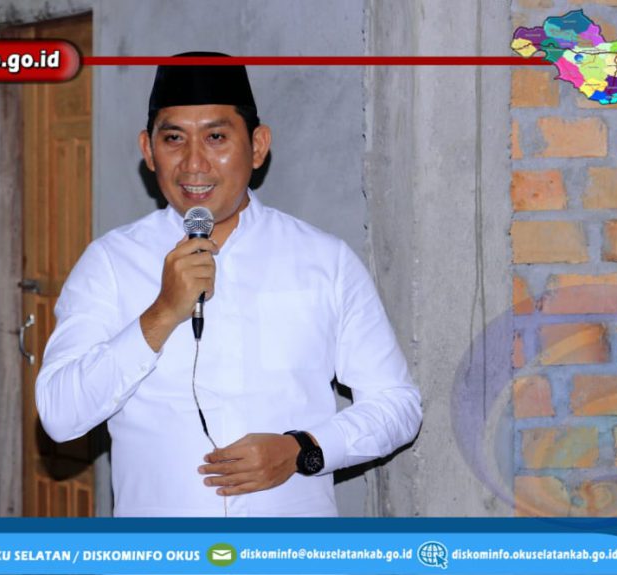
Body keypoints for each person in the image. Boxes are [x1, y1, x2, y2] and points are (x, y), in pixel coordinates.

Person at [35, 52, 422, 517]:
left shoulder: (324, 260)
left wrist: (303, 449)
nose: (193, 163)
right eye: (173, 139)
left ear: (257, 146)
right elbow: (60, 415)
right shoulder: (110, 263)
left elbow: (398, 405)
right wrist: (161, 314)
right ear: (148, 150)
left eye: (216, 137)